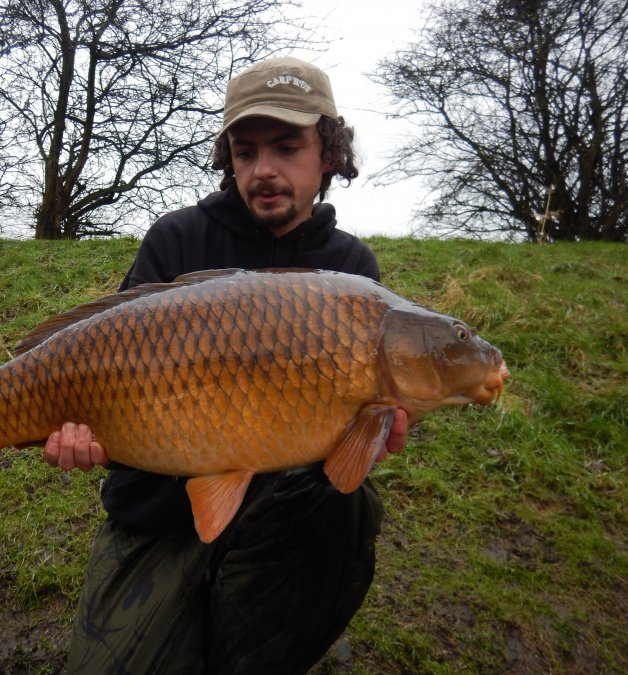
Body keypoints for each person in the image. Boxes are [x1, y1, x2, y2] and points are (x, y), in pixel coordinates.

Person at [44, 56, 408, 674]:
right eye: (245, 152)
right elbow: (105, 369)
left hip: (281, 521)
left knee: (343, 511)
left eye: (287, 147)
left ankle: (278, 629)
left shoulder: (353, 272)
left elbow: (348, 454)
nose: (263, 170)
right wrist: (81, 431)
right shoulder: (176, 240)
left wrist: (371, 433)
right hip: (157, 514)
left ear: (328, 152)